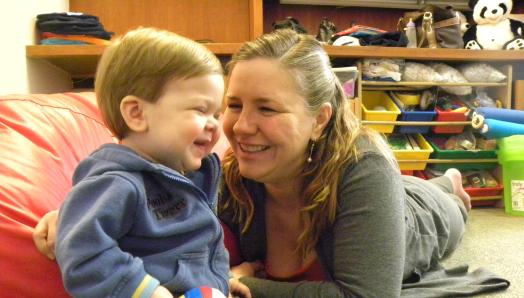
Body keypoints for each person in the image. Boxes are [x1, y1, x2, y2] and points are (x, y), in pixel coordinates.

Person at [36, 30, 508, 297]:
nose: (239, 127)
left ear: (319, 119)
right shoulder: (229, 171)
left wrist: (250, 286)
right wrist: (73, 214)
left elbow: (366, 296)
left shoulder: (363, 168)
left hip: (418, 215)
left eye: (267, 108)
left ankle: (449, 185)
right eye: (234, 104)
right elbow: (156, 201)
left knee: (445, 205)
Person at [43, 27, 244, 298]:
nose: (213, 125)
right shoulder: (116, 182)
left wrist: (221, 280)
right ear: (137, 114)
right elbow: (83, 253)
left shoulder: (186, 175)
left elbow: (188, 252)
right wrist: (148, 293)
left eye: (216, 113)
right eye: (200, 110)